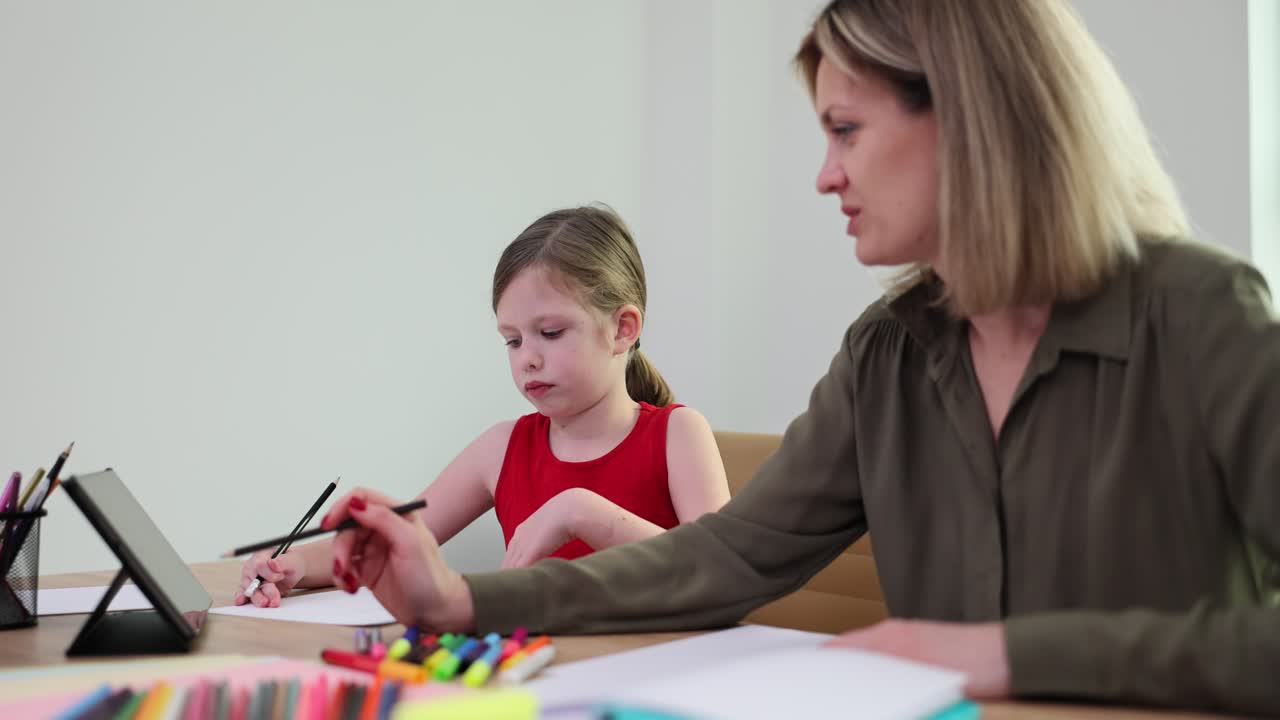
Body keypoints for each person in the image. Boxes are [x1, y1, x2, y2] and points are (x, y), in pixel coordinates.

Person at [318, 1, 1279, 715]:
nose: (825, 175)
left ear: (972, 119)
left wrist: (1011, 655)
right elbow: (726, 558)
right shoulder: (886, 357)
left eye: (846, 131)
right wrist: (456, 598)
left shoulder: (1201, 317)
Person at [236, 205, 730, 605]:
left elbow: (722, 571)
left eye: (551, 333)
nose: (528, 360)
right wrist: (293, 568)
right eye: (512, 341)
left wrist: (579, 510)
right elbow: (394, 541)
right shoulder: (501, 448)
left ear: (623, 328)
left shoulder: (680, 434)